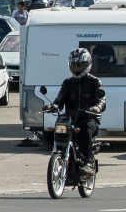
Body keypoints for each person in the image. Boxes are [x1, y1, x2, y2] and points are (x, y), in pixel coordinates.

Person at [42, 47, 106, 180]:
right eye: (74, 65)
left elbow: (101, 101)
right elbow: (59, 99)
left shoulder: (95, 82)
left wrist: (96, 108)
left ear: (87, 65)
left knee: (85, 127)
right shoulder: (67, 83)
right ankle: (58, 153)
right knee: (53, 129)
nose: (77, 68)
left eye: (80, 65)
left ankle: (87, 162)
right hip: (70, 119)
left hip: (89, 119)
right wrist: (53, 106)